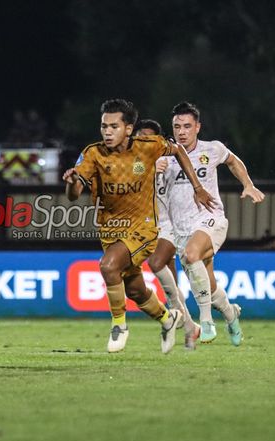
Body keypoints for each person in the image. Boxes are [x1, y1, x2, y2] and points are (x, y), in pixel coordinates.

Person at [63, 99, 214, 354]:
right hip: (111, 230)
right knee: (135, 290)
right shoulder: (92, 153)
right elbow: (74, 194)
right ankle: (169, 319)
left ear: (129, 128)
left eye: (113, 126)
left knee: (108, 265)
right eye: (104, 127)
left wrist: (197, 187)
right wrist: (70, 182)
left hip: (143, 229)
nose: (107, 132)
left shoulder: (150, 146)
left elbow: (178, 151)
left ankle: (119, 326)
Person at [159, 101, 265, 345]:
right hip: (181, 228)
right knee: (208, 285)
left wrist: (248, 184)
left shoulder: (212, 148)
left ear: (198, 127)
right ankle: (231, 314)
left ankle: (205, 321)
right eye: (177, 127)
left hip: (211, 218)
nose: (181, 132)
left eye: (187, 126)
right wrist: (154, 168)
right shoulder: (165, 156)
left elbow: (233, 161)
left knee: (192, 253)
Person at [134, 120, 203, 350]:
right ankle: (191, 328)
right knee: (170, 285)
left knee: (155, 263)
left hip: (169, 224)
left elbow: (184, 165)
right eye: (140, 136)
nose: (144, 141)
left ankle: (176, 316)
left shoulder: (169, 159)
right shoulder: (132, 162)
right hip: (147, 226)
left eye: (149, 137)